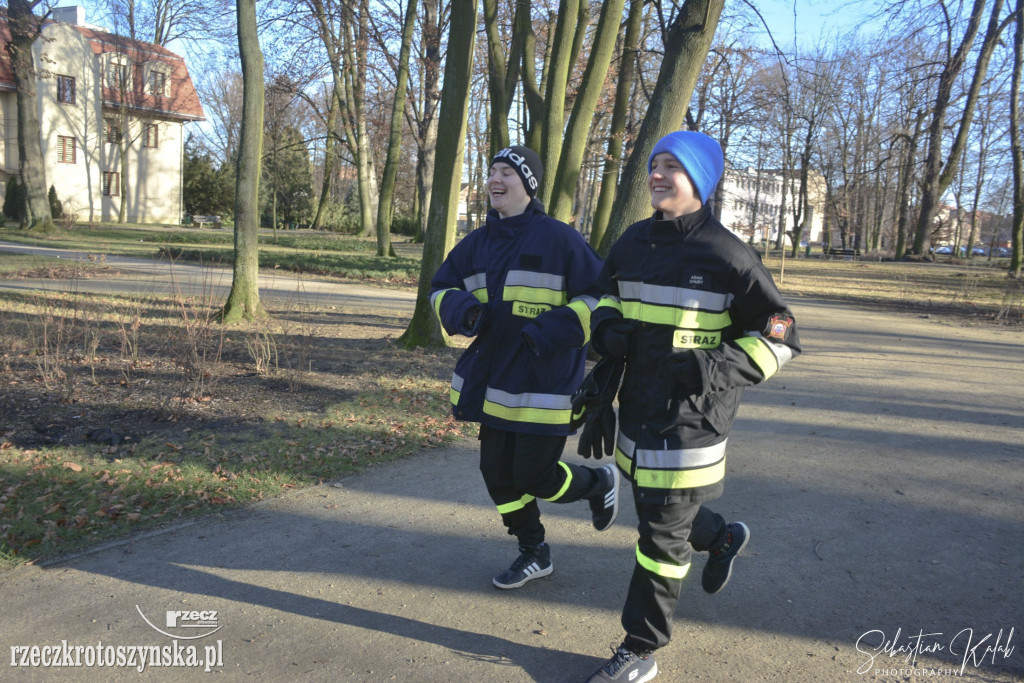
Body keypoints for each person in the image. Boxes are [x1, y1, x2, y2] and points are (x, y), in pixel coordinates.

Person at [582, 131, 801, 682]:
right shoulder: (632, 242)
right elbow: (601, 296)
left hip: (694, 420)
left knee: (659, 540)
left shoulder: (727, 255)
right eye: (655, 164)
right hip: (635, 406)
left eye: (672, 166)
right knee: (657, 507)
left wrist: (714, 368)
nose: (657, 174)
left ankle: (640, 648)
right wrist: (605, 326)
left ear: (699, 180)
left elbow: (781, 335)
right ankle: (722, 536)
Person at [429, 145, 620, 590]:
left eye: (506, 173)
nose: (495, 180)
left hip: (546, 384)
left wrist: (556, 328)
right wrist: (466, 312)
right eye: (491, 171)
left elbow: (602, 296)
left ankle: (595, 482)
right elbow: (440, 287)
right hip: (494, 383)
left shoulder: (560, 238)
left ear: (528, 185)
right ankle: (534, 550)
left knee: (535, 477)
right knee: (496, 475)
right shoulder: (476, 242)